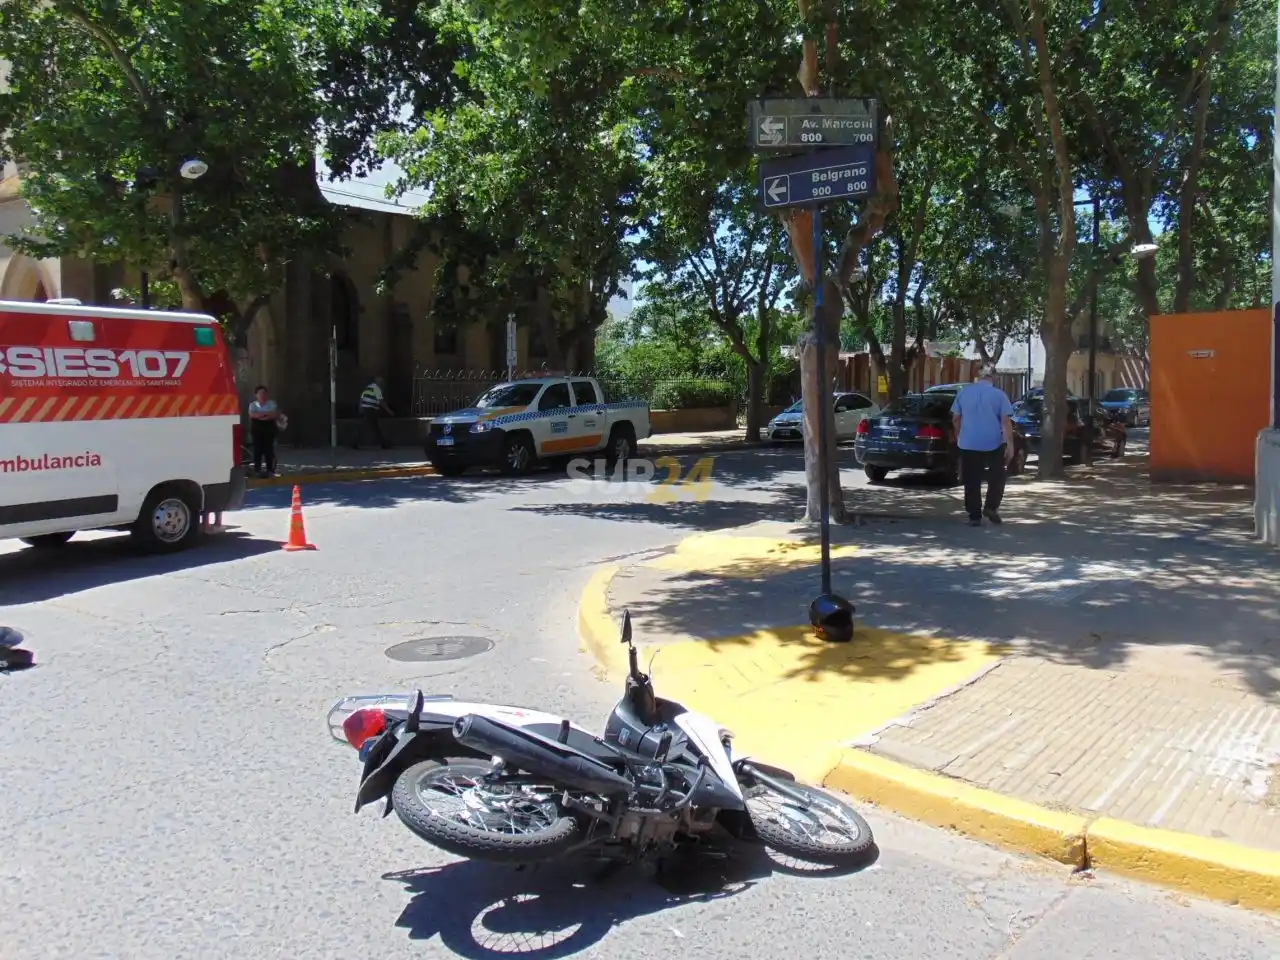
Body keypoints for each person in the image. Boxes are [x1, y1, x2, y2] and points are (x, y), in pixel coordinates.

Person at [950, 363, 1015, 527]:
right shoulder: (999, 395)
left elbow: (956, 419)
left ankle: (974, 515)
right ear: (993, 376)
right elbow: (1005, 421)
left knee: (972, 479)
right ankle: (991, 507)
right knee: (997, 477)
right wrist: (1010, 444)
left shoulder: (963, 393)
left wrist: (958, 436)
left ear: (978, 376)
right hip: (993, 442)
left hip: (969, 443)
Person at [248, 385, 281, 478]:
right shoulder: (253, 405)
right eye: (260, 393)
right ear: (256, 395)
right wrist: (266, 414)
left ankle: (270, 470)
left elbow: (274, 415)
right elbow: (252, 415)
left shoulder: (272, 403)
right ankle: (257, 470)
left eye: (264, 393)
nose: (262, 395)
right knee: (257, 450)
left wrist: (260, 416)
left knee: (268, 450)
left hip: (269, 430)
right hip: (257, 430)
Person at [353, 376, 393, 450]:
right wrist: (389, 411)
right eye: (381, 382)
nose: (382, 384)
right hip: (371, 410)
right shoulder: (377, 389)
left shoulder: (368, 387)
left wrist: (360, 408)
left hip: (365, 409)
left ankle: (384, 443)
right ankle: (354, 442)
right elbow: (381, 402)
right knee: (371, 427)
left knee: (371, 427)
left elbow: (361, 399)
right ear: (378, 382)